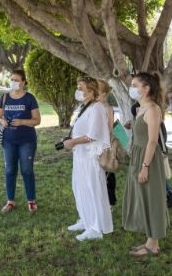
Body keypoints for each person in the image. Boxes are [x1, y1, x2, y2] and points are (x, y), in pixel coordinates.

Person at [122, 72, 169, 257]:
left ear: (146, 88)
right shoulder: (140, 108)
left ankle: (154, 245)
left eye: (135, 85)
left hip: (148, 159)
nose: (131, 88)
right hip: (138, 156)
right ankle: (150, 241)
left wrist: (145, 166)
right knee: (143, 197)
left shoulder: (153, 109)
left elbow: (152, 141)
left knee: (152, 199)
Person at [63, 77, 113, 241]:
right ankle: (85, 220)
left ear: (91, 91)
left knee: (92, 190)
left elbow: (93, 135)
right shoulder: (85, 106)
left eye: (81, 88)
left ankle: (96, 228)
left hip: (90, 156)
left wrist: (73, 142)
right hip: (80, 155)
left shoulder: (97, 108)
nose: (78, 90)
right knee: (80, 188)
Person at [0, 70, 41, 213]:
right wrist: (2, 121)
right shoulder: (4, 97)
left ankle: (31, 200)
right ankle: (10, 201)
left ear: (24, 83)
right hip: (8, 141)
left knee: (27, 170)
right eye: (12, 79)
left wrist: (22, 121)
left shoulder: (29, 98)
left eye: (17, 80)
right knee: (9, 170)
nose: (13, 82)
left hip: (27, 140)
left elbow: (37, 120)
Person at [97, 80, 116, 208]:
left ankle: (109, 201)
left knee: (107, 173)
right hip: (93, 145)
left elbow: (109, 128)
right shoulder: (91, 107)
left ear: (103, 94)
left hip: (104, 145)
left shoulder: (108, 109)